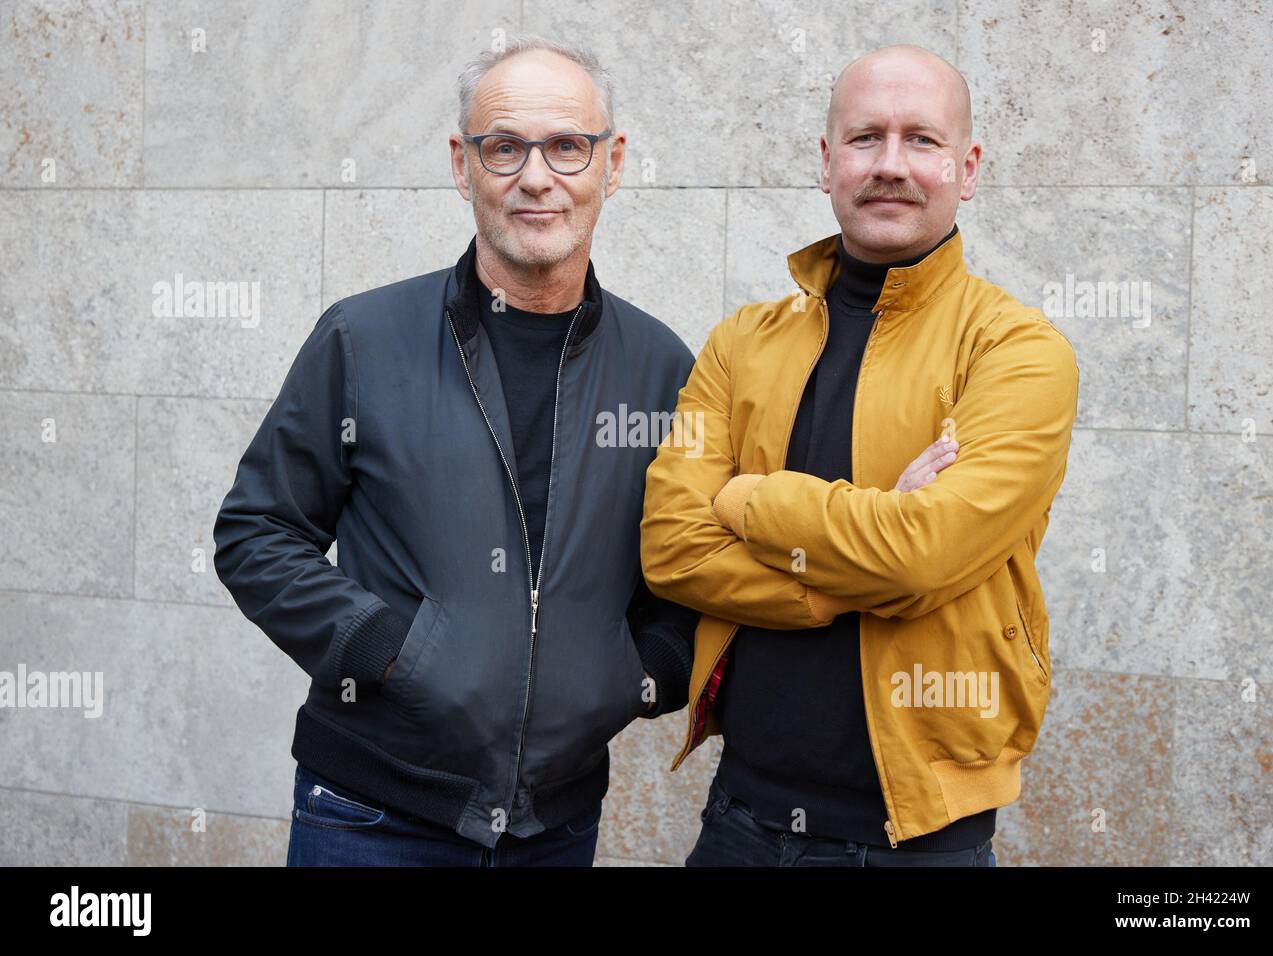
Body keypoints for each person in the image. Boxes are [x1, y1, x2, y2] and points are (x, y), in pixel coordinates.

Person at [214, 37, 698, 867]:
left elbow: (692, 565)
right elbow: (257, 532)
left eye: (568, 147)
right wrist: (386, 651)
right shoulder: (363, 338)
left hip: (559, 825)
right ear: (462, 164)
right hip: (371, 814)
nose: (536, 178)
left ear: (611, 164)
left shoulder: (662, 368)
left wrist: (638, 671)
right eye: (504, 147)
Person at [641, 44, 1079, 867]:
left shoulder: (1017, 351)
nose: (890, 165)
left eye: (922, 139)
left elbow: (920, 556)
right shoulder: (740, 343)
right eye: (865, 137)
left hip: (919, 841)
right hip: (739, 822)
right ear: (827, 161)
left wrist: (744, 500)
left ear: (968, 167)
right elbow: (670, 549)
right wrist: (848, 578)